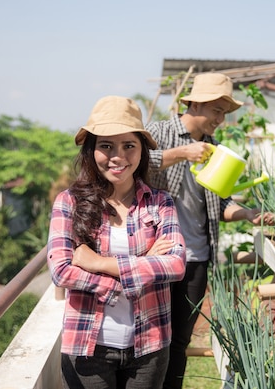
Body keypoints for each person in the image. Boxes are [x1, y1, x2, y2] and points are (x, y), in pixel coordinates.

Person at [145, 72, 275, 389]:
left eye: (224, 113)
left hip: (197, 260)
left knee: (179, 341)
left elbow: (220, 204)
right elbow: (134, 163)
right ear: (197, 103)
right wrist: (181, 153)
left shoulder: (215, 148)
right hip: (157, 255)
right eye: (217, 110)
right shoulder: (159, 132)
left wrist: (247, 214)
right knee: (151, 339)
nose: (221, 119)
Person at [47, 95, 186, 389]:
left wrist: (98, 263)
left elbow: (175, 265)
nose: (118, 156)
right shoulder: (69, 203)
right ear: (91, 150)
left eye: (129, 145)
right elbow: (61, 270)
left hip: (149, 343)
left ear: (142, 151)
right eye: (106, 145)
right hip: (88, 345)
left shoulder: (160, 203)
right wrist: (141, 265)